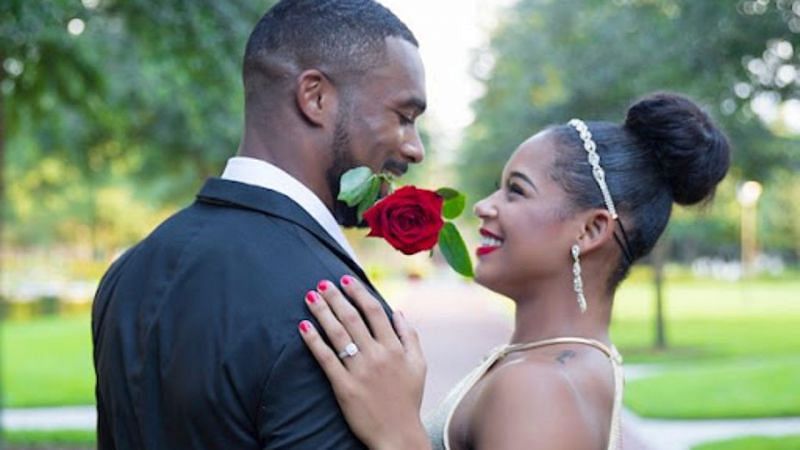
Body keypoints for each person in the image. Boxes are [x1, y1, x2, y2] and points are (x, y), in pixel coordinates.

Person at [297, 93, 731, 449]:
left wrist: (398, 432)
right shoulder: (563, 363)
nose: (485, 206)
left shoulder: (539, 387)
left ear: (592, 229)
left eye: (516, 190)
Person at [91, 1, 426, 448]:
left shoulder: (129, 270)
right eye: (404, 117)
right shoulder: (337, 316)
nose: (415, 149)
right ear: (316, 97)